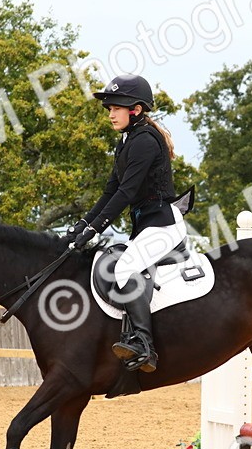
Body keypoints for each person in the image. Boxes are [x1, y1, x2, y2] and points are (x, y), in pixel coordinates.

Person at [61, 74, 184, 372]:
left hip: (163, 225)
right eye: (110, 108)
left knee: (124, 269)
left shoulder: (145, 142)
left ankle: (144, 344)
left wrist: (95, 230)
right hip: (146, 226)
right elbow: (110, 192)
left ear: (136, 110)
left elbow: (126, 193)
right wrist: (82, 224)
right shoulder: (127, 141)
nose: (111, 114)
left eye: (116, 108)